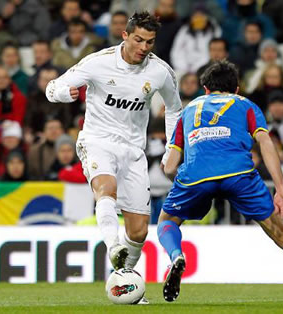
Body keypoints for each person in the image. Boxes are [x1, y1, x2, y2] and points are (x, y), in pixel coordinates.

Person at [157, 61, 283, 307]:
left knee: (167, 222)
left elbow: (169, 166)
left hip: (195, 176)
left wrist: (184, 187)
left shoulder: (189, 110)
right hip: (239, 174)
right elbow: (265, 143)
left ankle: (176, 255)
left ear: (205, 89)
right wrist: (281, 188)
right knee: (282, 234)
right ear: (236, 88)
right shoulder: (246, 105)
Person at [45, 12, 182, 287]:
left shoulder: (161, 72)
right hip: (97, 140)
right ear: (125, 35)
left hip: (133, 150)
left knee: (139, 232)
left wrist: (171, 149)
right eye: (138, 40)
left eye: (150, 42)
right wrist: (63, 94)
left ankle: (123, 282)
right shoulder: (98, 62)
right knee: (105, 189)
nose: (143, 48)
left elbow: (175, 109)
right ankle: (112, 245)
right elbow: (52, 87)